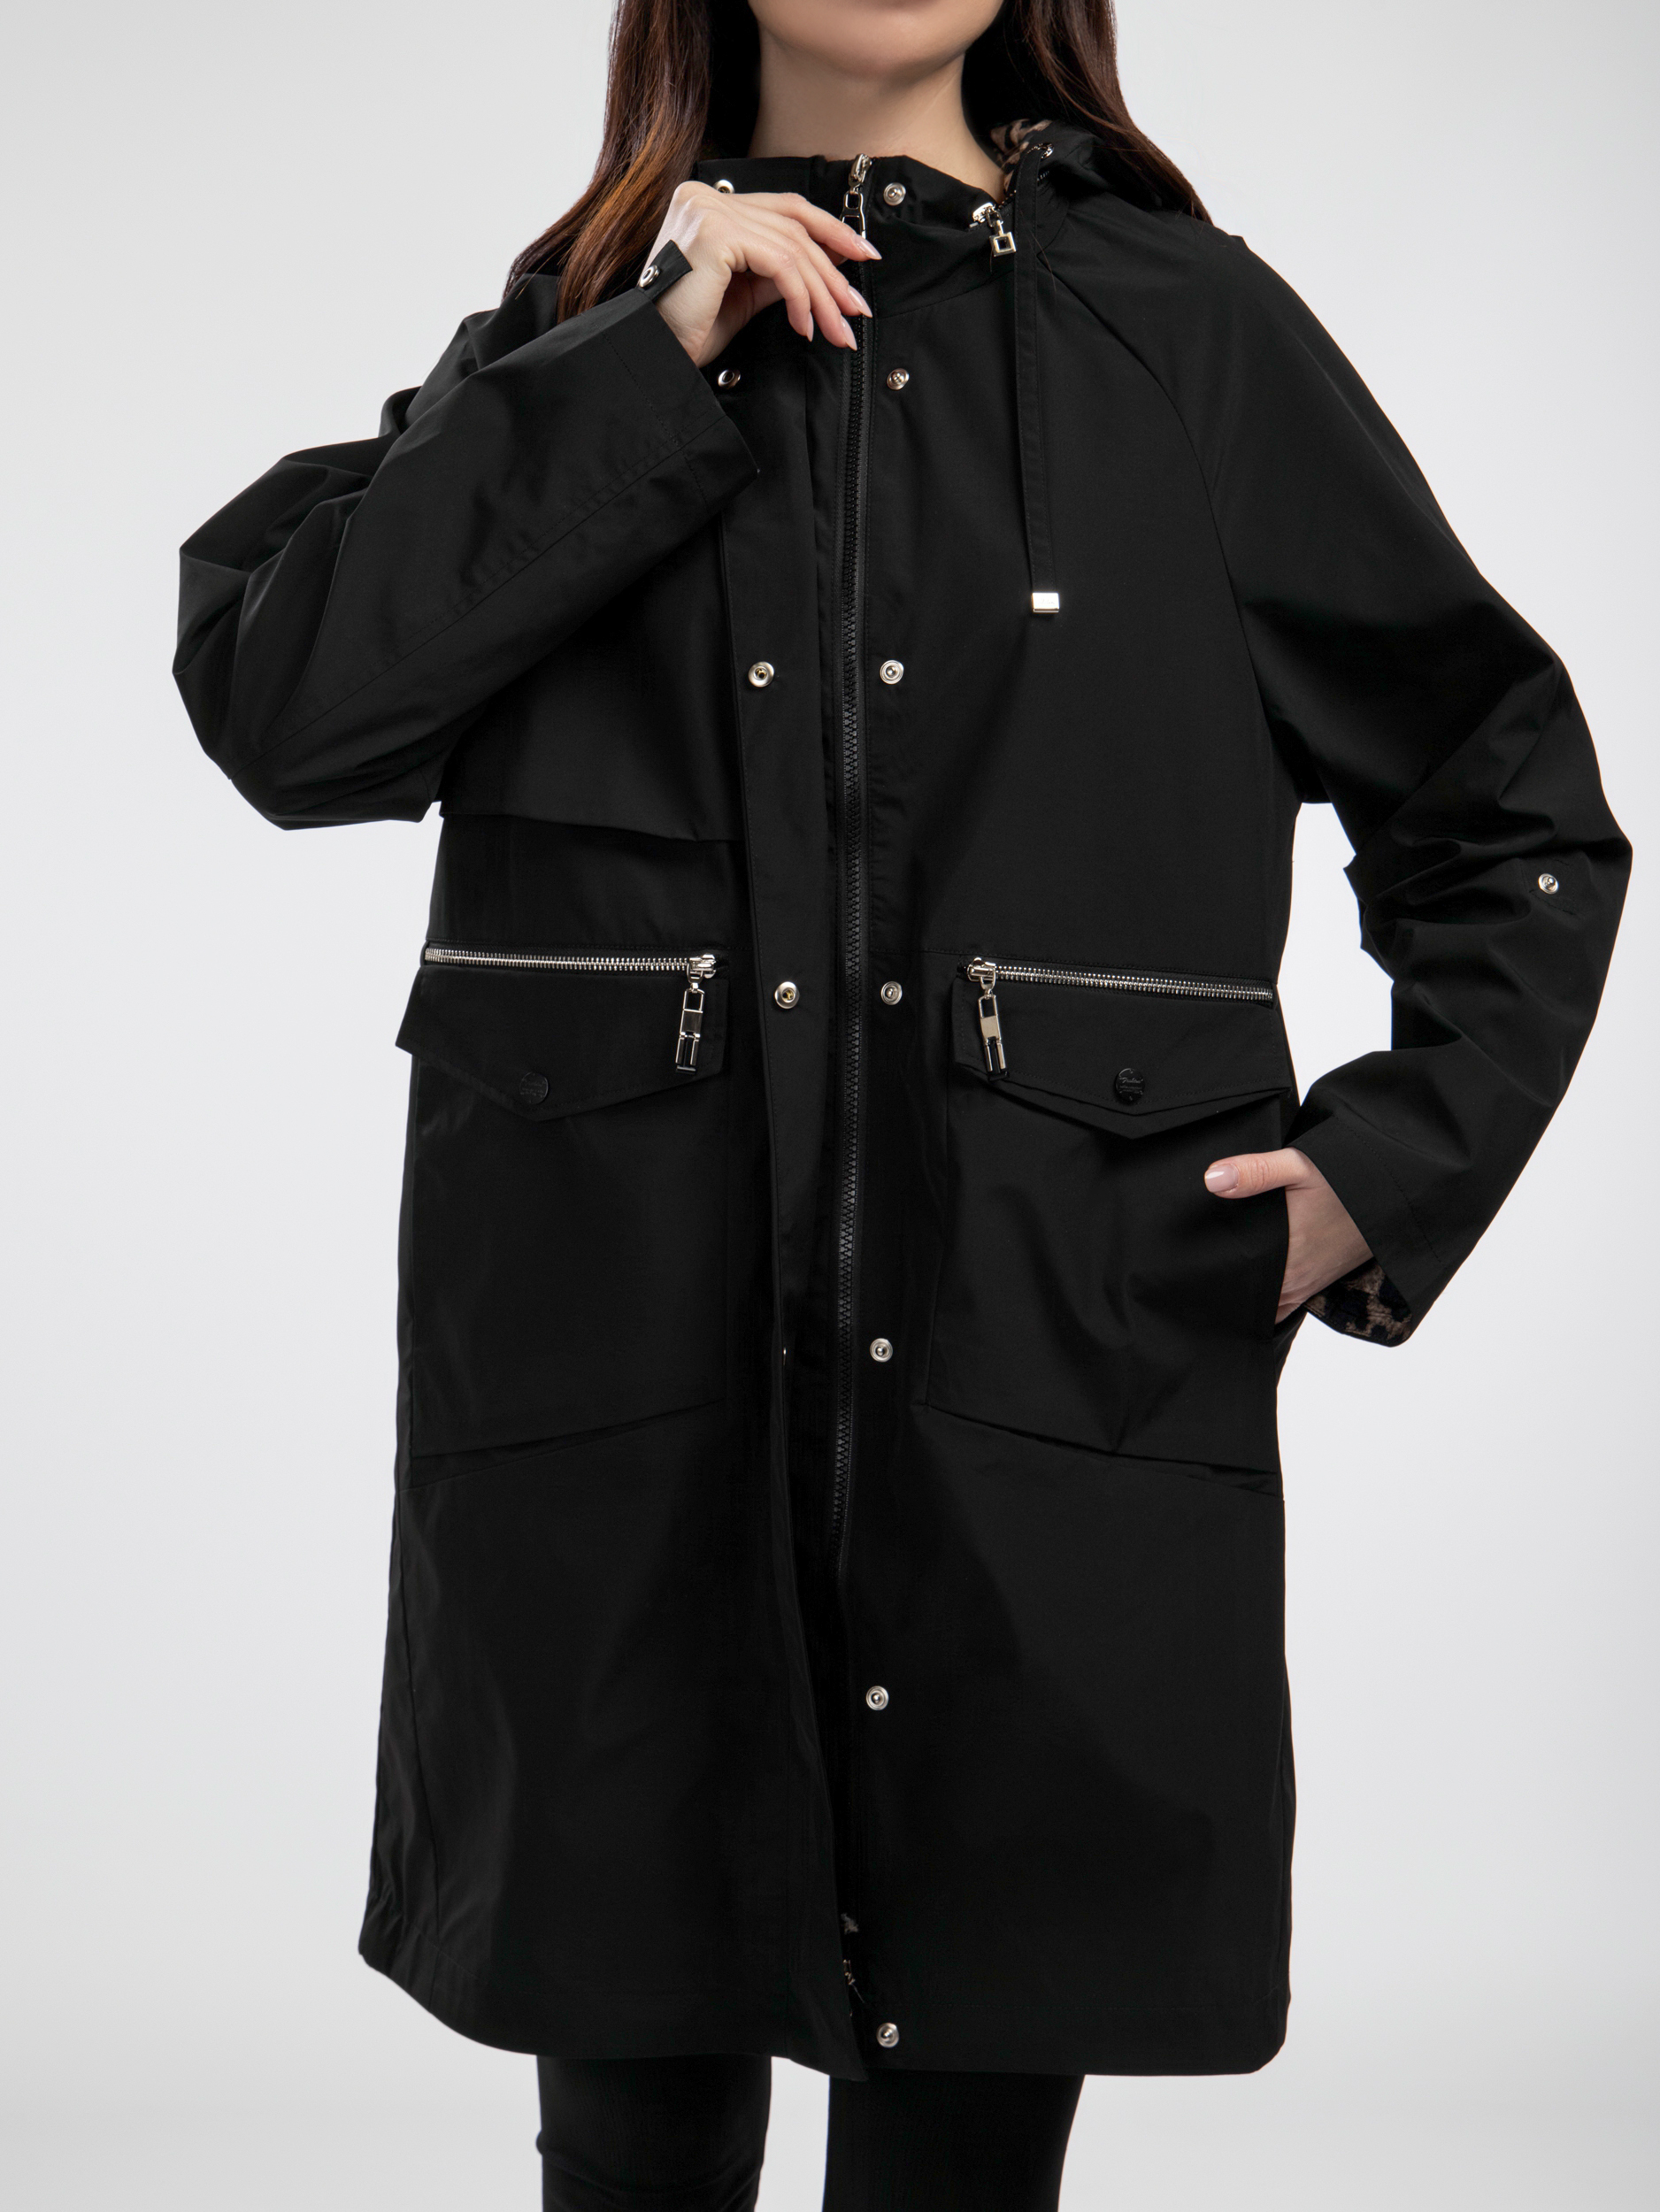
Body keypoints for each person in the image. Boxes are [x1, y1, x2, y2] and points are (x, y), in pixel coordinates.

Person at [173, 0, 1629, 2204]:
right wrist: (653, 345)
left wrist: (1384, 1170)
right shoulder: (579, 332)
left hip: (1036, 1389)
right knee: (626, 2143)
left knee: (965, 2139)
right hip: (615, 1438)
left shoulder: (1185, 332)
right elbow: (290, 707)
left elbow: (1501, 803)